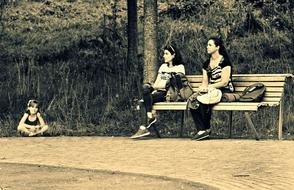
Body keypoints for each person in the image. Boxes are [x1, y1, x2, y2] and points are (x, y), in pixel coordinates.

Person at [131, 43, 185, 139]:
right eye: (164, 53)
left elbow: (176, 84)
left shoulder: (180, 67)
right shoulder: (163, 67)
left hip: (169, 94)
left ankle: (146, 123)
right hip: (159, 92)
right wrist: (159, 86)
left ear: (173, 55)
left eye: (166, 53)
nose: (164, 56)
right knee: (145, 90)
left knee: (144, 101)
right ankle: (148, 119)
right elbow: (156, 83)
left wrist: (162, 85)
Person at [190, 37, 234, 141]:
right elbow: (205, 81)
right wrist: (202, 88)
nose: (207, 47)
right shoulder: (206, 64)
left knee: (203, 101)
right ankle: (202, 130)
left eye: (210, 45)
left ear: (217, 47)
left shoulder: (225, 62)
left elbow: (224, 82)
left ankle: (205, 129)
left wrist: (209, 87)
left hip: (223, 89)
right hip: (211, 89)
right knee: (193, 100)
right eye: (207, 45)